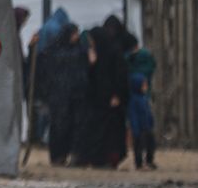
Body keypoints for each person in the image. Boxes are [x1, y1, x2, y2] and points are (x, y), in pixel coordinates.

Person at [76, 21, 130, 168]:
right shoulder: (97, 55)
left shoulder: (114, 54)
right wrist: (91, 63)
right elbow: (91, 79)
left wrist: (117, 95)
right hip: (97, 100)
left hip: (111, 101)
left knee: (111, 131)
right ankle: (97, 159)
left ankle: (110, 159)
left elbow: (121, 77)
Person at [42, 24, 89, 166]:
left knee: (75, 126)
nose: (76, 37)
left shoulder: (79, 50)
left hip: (76, 96)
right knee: (59, 127)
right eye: (74, 34)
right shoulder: (55, 51)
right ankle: (58, 156)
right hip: (59, 97)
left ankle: (74, 156)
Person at [128, 73, 157, 170]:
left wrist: (151, 121)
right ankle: (139, 164)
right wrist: (135, 128)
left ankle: (149, 161)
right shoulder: (134, 100)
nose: (145, 87)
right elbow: (133, 115)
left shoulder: (144, 98)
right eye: (143, 85)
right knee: (138, 147)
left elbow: (148, 112)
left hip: (147, 127)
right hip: (139, 128)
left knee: (151, 144)